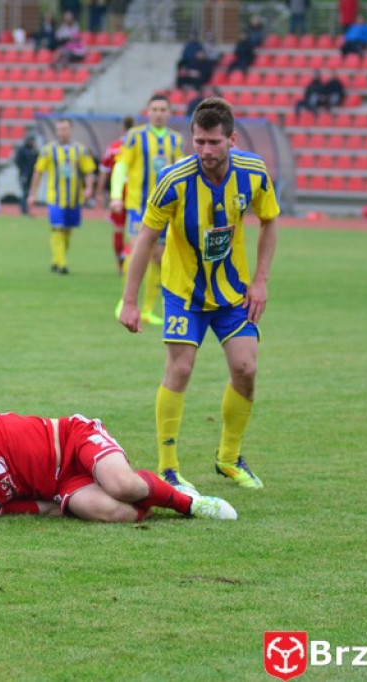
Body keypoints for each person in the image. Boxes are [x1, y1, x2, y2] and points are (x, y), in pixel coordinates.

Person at [118, 97, 280, 495]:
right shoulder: (173, 180)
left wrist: (260, 280)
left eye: (213, 142)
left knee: (246, 368)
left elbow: (270, 220)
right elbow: (145, 239)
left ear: (231, 139)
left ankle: (229, 458)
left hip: (232, 292)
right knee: (181, 370)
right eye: (199, 142)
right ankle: (168, 468)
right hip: (183, 293)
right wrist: (131, 300)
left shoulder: (253, 173)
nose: (205, 151)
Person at [0, 412, 238, 524]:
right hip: (61, 485)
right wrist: (72, 506)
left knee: (120, 484)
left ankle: (190, 503)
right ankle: (155, 489)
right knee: (116, 511)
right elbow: (35, 507)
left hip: (70, 437)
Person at [109, 93, 185, 326]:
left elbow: (181, 171)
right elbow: (121, 165)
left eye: (163, 109)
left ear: (169, 113)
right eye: (155, 109)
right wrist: (115, 195)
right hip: (138, 206)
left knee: (159, 257)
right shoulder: (134, 136)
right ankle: (125, 301)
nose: (159, 113)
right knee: (136, 251)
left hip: (165, 207)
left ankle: (149, 309)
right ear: (148, 111)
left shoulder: (176, 140)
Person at [29, 118, 97, 274]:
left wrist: (89, 189)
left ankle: (57, 259)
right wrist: (32, 193)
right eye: (59, 129)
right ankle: (62, 263)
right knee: (58, 228)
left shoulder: (80, 150)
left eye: (65, 128)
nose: (62, 132)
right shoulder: (48, 150)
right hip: (55, 197)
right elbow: (38, 172)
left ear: (70, 130)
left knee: (67, 230)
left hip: (74, 197)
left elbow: (89, 171)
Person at [97, 115, 135, 274]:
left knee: (118, 229)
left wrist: (99, 193)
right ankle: (128, 256)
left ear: (123, 128)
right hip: (136, 192)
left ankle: (121, 263)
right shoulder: (140, 145)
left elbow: (104, 172)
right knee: (136, 231)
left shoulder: (113, 147)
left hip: (118, 192)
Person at [14, 134, 39, 216]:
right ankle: (23, 209)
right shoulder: (22, 150)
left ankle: (28, 209)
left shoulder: (34, 151)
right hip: (24, 174)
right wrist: (23, 170)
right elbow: (17, 161)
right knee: (25, 192)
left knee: (29, 192)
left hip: (32, 174)